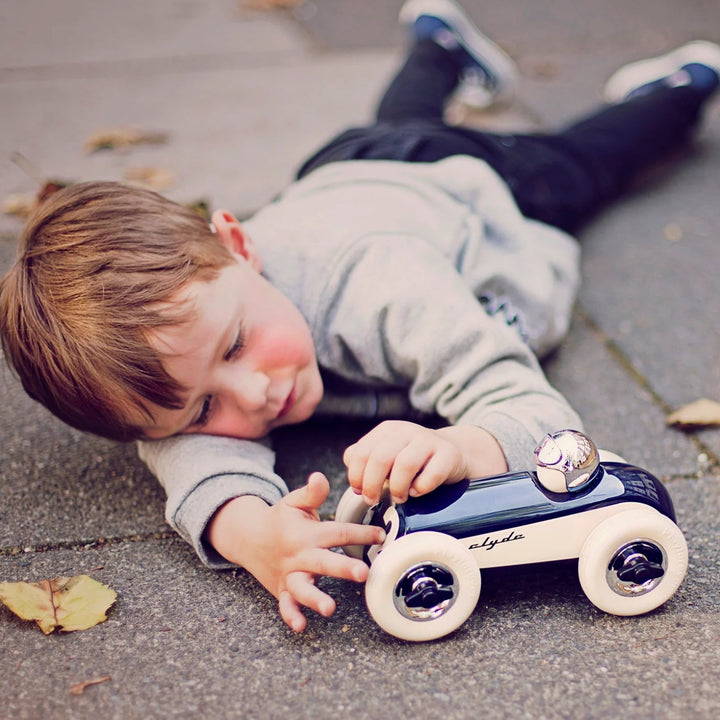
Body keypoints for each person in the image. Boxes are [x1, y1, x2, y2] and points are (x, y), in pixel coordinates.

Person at [1, 0, 719, 633]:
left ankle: (683, 86)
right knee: (396, 116)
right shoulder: (167, 379)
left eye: (239, 344)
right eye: (202, 409)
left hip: (452, 179)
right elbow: (194, 467)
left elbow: (523, 401)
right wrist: (254, 535)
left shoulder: (379, 285)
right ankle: (439, 44)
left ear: (241, 246)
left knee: (582, 164)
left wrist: (467, 447)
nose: (254, 395)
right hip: (345, 179)